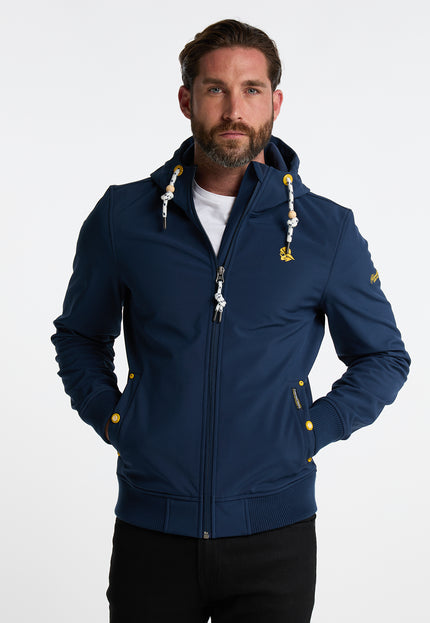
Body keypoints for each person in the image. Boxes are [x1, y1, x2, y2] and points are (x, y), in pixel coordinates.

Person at [52, 19, 410, 623]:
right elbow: (80, 337)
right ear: (187, 100)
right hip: (152, 531)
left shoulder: (326, 231)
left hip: (276, 537)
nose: (234, 110)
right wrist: (116, 419)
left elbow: (383, 357)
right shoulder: (123, 217)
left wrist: (309, 430)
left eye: (251, 89)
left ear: (275, 102)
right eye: (216, 89)